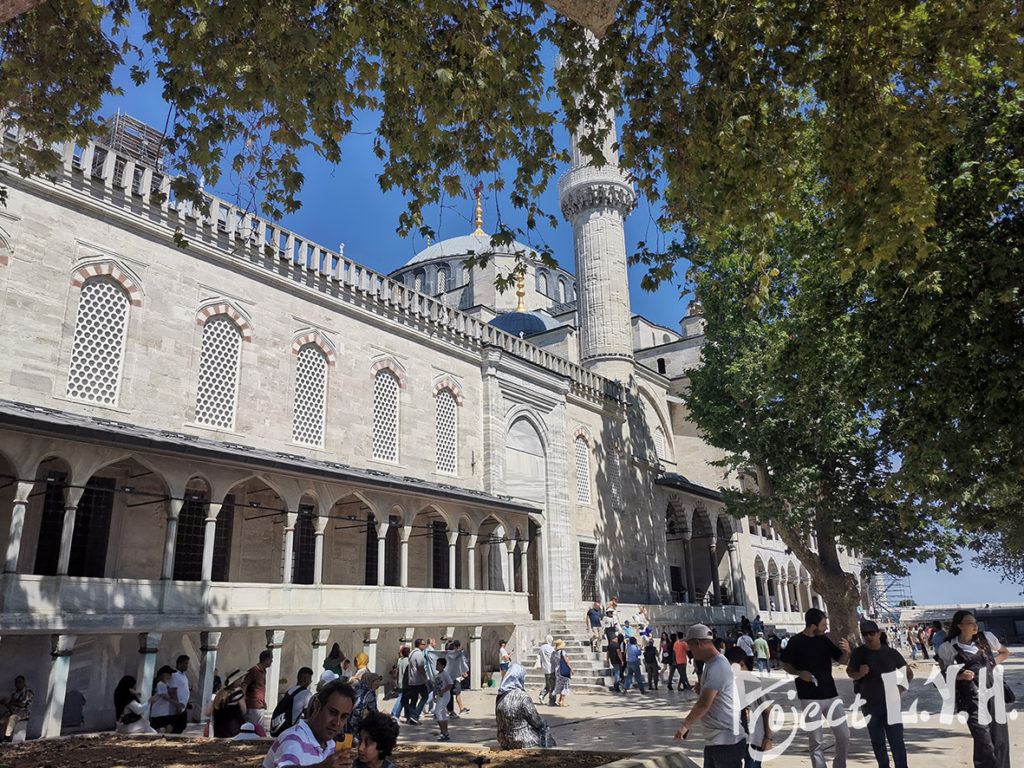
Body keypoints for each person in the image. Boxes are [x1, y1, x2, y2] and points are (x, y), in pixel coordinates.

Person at [936, 609, 1011, 768]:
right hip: (971, 697)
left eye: (975, 622)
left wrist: (993, 663)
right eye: (970, 623)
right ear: (959, 626)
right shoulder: (949, 647)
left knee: (1000, 741)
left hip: (993, 692)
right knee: (984, 741)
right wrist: (959, 675)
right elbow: (943, 674)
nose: (975, 626)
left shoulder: (986, 638)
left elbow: (1004, 652)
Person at [780, 607, 851, 768]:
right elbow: (785, 664)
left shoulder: (824, 640)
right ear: (813, 626)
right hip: (809, 697)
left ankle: (839, 765)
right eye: (823, 625)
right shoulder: (796, 642)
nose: (826, 627)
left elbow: (841, 660)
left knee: (844, 735)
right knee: (816, 740)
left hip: (831, 695)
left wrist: (847, 651)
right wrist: (799, 673)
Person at [673, 624, 746, 767]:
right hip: (716, 741)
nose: (690, 651)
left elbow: (704, 705)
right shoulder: (712, 664)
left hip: (726, 742)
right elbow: (713, 698)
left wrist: (685, 725)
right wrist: (703, 690)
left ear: (698, 643)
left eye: (691, 646)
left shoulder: (718, 665)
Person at [847, 620, 912, 768]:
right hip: (869, 704)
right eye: (865, 634)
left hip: (891, 704)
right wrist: (859, 673)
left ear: (878, 634)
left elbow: (908, 673)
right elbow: (850, 672)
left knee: (897, 741)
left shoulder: (890, 653)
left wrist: (901, 689)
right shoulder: (859, 653)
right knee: (877, 741)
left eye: (871, 633)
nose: (868, 637)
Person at [263, 680, 356, 768]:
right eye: (332, 712)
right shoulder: (292, 740)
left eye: (344, 716)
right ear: (318, 706)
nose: (337, 722)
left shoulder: (330, 746)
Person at [724, 647, 772, 768]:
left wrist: (768, 738)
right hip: (735, 738)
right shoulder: (729, 683)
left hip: (754, 739)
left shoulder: (753, 682)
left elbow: (768, 711)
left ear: (741, 664)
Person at [495, 663, 547, 749]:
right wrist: (544, 725)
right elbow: (536, 721)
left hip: (504, 741)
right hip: (524, 741)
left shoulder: (500, 696)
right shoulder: (523, 697)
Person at [212, 669, 249, 738]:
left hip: (219, 727)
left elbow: (209, 711)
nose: (241, 680)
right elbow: (244, 711)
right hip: (233, 728)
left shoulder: (220, 693)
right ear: (235, 680)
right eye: (240, 678)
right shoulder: (238, 692)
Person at [243, 649, 275, 726]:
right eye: (271, 659)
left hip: (260, 706)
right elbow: (244, 685)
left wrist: (263, 702)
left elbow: (260, 688)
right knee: (251, 729)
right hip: (252, 706)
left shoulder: (263, 671)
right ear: (266, 659)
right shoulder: (254, 671)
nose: (272, 661)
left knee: (259, 730)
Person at [345, 672, 382, 737]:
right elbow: (373, 711)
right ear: (372, 683)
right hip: (356, 720)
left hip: (346, 717)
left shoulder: (356, 688)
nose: (376, 688)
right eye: (376, 686)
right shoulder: (369, 692)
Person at [0, 675, 32, 743]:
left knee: (12, 718)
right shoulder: (14, 693)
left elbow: (23, 705)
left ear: (24, 683)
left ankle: (7, 738)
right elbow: (10, 705)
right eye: (16, 682)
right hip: (12, 711)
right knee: (2, 720)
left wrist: (12, 702)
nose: (18, 684)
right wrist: (5, 703)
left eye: (20, 682)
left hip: (23, 712)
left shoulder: (28, 692)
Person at [403, 639, 427, 725]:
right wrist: (425, 678)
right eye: (423, 644)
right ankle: (415, 716)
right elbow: (420, 667)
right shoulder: (419, 654)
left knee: (413, 700)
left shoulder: (412, 653)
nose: (424, 646)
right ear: (419, 645)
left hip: (412, 680)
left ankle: (411, 717)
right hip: (418, 680)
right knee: (425, 697)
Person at [149, 665, 178, 733]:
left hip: (162, 712)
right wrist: (176, 703)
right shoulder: (159, 684)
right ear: (164, 674)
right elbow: (164, 696)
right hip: (158, 712)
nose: (171, 676)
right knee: (167, 726)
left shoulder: (164, 684)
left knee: (162, 728)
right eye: (170, 674)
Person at [431, 657, 453, 742]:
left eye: (438, 664)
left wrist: (443, 691)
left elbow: (450, 684)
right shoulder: (437, 675)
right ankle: (445, 732)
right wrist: (434, 695)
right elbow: (435, 686)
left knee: (438, 713)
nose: (437, 666)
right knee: (442, 714)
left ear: (443, 666)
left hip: (445, 696)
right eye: (436, 664)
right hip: (439, 696)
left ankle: (443, 732)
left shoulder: (445, 674)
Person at [169, 654, 191, 733]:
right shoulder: (174, 675)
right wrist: (177, 704)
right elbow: (172, 691)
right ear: (179, 664)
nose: (187, 666)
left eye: (187, 663)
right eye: (185, 663)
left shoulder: (184, 675)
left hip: (183, 705)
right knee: (177, 727)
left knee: (182, 725)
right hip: (177, 706)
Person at [391, 647, 410, 722]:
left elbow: (398, 670)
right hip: (406, 683)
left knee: (404, 698)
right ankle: (394, 713)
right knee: (401, 698)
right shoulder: (408, 661)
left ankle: (406, 714)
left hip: (400, 681)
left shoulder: (400, 660)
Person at [552, 639, 572, 707]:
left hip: (557, 671)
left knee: (560, 685)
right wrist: (571, 669)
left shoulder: (554, 653)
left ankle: (559, 700)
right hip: (563, 670)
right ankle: (562, 701)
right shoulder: (563, 652)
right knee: (565, 685)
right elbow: (566, 661)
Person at [537, 634, 555, 706]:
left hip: (544, 668)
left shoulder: (542, 647)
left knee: (548, 684)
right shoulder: (551, 648)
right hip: (551, 668)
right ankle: (552, 701)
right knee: (553, 685)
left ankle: (541, 695)